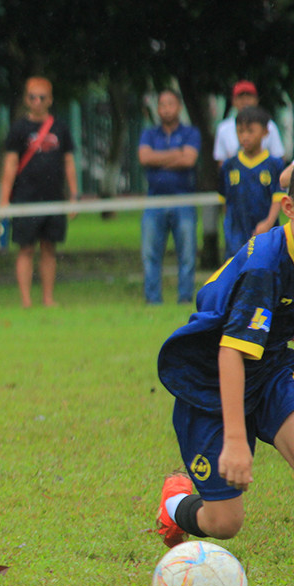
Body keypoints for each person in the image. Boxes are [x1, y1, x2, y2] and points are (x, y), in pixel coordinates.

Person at [156, 180, 294, 549]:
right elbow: (230, 352)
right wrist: (234, 441)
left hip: (271, 367)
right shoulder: (266, 267)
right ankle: (174, 506)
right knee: (224, 522)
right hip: (210, 381)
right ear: (289, 209)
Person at [0, 77, 78, 308]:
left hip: (53, 198)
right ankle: (26, 300)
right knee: (25, 248)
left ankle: (48, 298)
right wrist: (4, 199)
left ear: (50, 100)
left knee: (49, 248)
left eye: (42, 97)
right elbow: (10, 163)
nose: (37, 102)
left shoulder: (60, 127)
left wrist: (74, 196)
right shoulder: (18, 128)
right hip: (25, 198)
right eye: (32, 97)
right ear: (26, 99)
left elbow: (69, 162)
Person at [137, 90, 201, 305]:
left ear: (179, 107)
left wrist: (157, 160)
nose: (166, 109)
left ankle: (185, 298)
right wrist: (176, 154)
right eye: (162, 105)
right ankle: (153, 300)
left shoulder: (191, 133)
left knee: (187, 254)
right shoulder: (149, 134)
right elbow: (144, 157)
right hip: (154, 200)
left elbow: (189, 160)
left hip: (183, 200)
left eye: (170, 104)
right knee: (150, 254)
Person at [218, 106, 286, 258]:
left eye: (250, 131)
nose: (245, 137)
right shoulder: (229, 165)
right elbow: (225, 201)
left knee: (265, 267)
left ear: (265, 132)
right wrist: (230, 227)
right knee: (238, 269)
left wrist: (268, 223)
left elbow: (278, 197)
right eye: (240, 131)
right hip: (236, 237)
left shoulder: (274, 165)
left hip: (265, 233)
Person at [214, 81, 286, 167]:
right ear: (233, 101)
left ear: (256, 100)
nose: (245, 101)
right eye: (241, 98)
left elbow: (278, 157)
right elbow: (221, 162)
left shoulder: (269, 125)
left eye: (249, 97)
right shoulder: (224, 128)